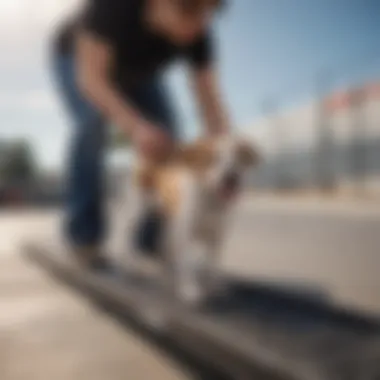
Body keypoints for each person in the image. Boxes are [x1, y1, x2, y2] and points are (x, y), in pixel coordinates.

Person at [51, 0, 230, 269]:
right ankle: (83, 237)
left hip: (137, 75)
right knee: (92, 123)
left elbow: (210, 105)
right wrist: (135, 127)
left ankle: (150, 239)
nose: (199, 23)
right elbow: (91, 81)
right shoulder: (112, 7)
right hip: (78, 59)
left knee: (169, 134)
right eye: (188, 9)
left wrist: (227, 157)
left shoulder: (198, 33)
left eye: (208, 12)